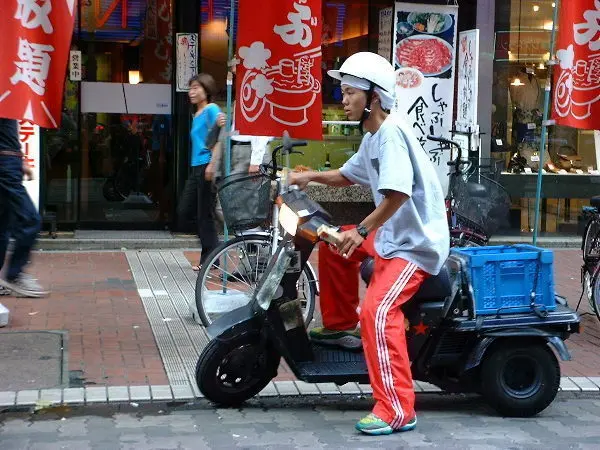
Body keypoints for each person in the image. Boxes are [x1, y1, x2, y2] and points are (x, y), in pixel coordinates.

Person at [288, 52, 449, 435]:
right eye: (342, 92)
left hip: (414, 246)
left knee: (377, 313)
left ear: (373, 97)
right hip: (392, 235)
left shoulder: (391, 134)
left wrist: (360, 232)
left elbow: (397, 195)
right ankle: (340, 324)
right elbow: (348, 175)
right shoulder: (373, 135)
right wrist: (307, 177)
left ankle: (397, 408)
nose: (342, 100)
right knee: (331, 244)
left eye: (349, 93)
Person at [177, 74, 225, 271]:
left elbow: (222, 135)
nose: (192, 92)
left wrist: (212, 165)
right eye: (190, 88)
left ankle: (210, 258)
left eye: (196, 87)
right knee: (187, 211)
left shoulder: (211, 110)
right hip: (196, 167)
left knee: (204, 215)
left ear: (207, 90)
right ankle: (212, 255)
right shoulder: (196, 113)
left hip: (206, 166)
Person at [0, 118, 49, 297]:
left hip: (10, 162)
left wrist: (20, 161)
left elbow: (8, 133)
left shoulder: (7, 96)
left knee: (4, 225)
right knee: (30, 219)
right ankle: (14, 275)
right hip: (5, 164)